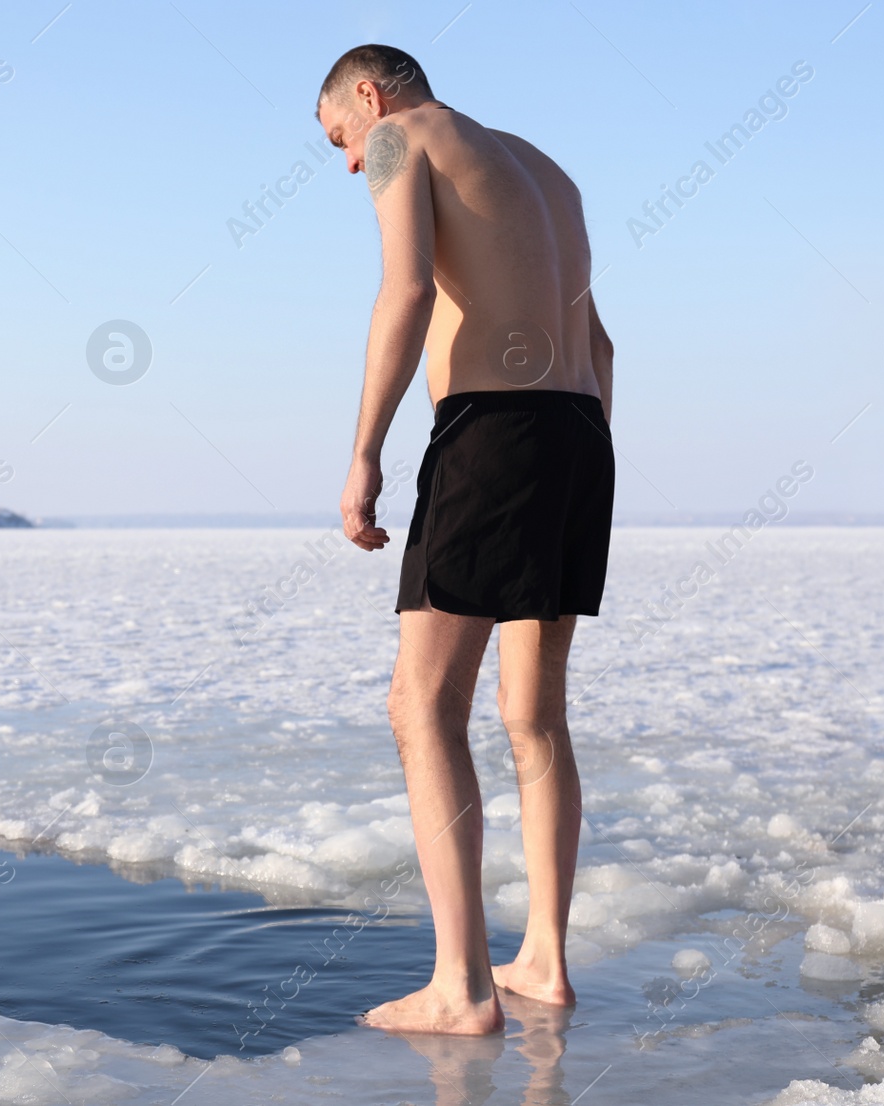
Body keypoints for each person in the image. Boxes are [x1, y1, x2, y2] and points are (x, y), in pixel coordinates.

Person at [317, 44, 616, 1035]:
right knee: (532, 711)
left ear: (369, 96)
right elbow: (601, 343)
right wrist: (566, 461)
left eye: (339, 140)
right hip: (578, 435)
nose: (352, 165)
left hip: (494, 434)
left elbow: (404, 290)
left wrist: (363, 454)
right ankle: (542, 958)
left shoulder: (403, 139)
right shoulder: (544, 171)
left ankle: (459, 985)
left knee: (420, 704)